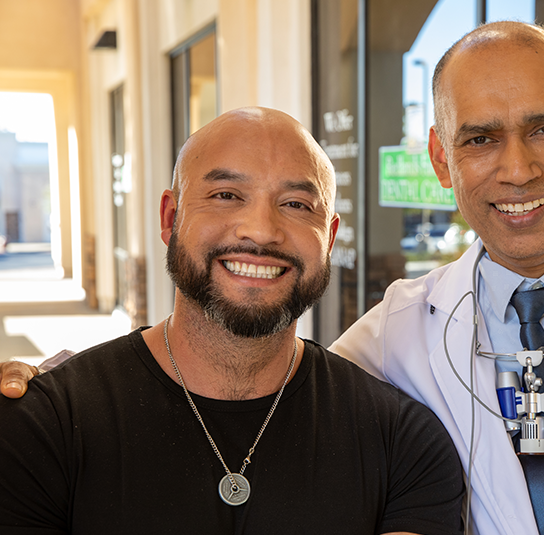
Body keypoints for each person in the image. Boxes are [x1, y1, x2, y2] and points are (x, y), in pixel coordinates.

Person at [2, 21, 544, 535]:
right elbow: (252, 362)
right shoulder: (399, 331)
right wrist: (58, 387)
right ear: (443, 160)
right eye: (480, 138)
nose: (516, 168)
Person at [0, 107, 464, 534]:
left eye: (296, 204)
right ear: (171, 218)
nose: (260, 230)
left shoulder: (404, 443)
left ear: (328, 238)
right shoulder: (44, 426)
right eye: (226, 195)